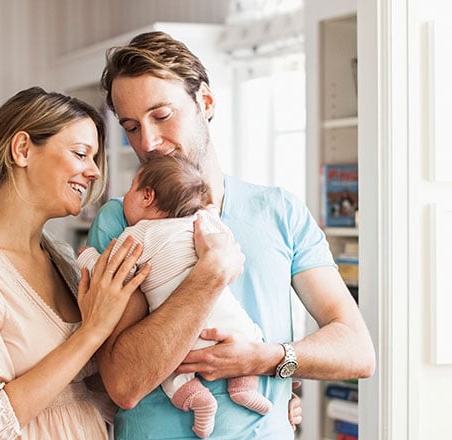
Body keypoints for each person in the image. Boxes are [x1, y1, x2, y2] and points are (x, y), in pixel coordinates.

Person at [87, 31, 375, 439]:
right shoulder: (121, 222)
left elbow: (357, 350)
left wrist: (264, 359)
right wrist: (210, 275)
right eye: (131, 126)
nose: (147, 142)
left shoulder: (280, 211)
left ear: (205, 102)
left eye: (162, 116)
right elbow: (124, 383)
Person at [0, 86, 152, 440]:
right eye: (81, 153)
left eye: (94, 158)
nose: (93, 172)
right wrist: (92, 331)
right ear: (22, 150)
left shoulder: (64, 259)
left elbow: (98, 395)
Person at [77, 155, 272, 438]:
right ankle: (244, 389)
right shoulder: (202, 220)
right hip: (227, 320)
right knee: (250, 336)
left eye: (131, 189)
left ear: (147, 196)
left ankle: (200, 402)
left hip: (186, 335)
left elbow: (116, 272)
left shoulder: (139, 234)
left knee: (172, 373)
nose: (125, 198)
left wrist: (87, 259)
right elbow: (227, 246)